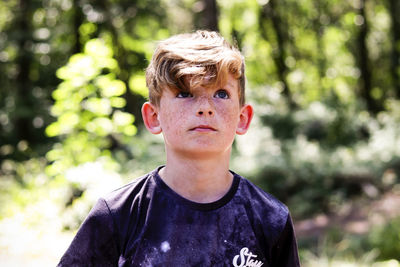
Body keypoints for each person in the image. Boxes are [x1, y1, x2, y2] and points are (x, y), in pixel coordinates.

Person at [57, 30, 300, 267]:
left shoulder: (270, 219)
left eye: (221, 94)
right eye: (185, 93)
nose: (205, 108)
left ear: (242, 118)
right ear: (154, 116)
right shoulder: (117, 216)